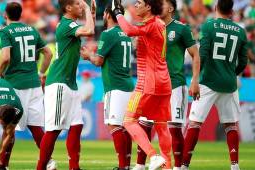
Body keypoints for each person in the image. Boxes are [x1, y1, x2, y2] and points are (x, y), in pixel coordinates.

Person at [132, 0, 201, 169]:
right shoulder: (151, 25)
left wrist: (195, 80)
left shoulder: (181, 29)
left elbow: (196, 55)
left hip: (175, 84)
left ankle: (178, 167)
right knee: (144, 125)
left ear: (170, 8)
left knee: (174, 129)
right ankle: (140, 165)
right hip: (151, 85)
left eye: (161, 4)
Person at [181, 0, 248, 170]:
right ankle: (235, 166)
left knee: (195, 123)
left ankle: (184, 166)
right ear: (232, 10)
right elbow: (244, 61)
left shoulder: (209, 26)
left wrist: (195, 80)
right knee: (230, 125)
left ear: (216, 7)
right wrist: (232, 73)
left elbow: (201, 55)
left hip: (208, 81)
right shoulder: (241, 31)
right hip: (229, 83)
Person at [112, 0, 173, 169]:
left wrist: (118, 13)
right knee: (161, 126)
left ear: (149, 6)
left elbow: (130, 30)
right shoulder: (159, 23)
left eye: (139, 2)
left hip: (148, 82)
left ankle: (153, 157)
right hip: (164, 81)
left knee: (129, 120)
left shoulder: (152, 24)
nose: (136, 5)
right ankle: (167, 166)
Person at [36, 0, 95, 169]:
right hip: (59, 82)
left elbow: (86, 30)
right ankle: (40, 167)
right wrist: (87, 10)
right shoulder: (66, 25)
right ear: (68, 8)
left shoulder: (71, 25)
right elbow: (89, 30)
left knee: (77, 126)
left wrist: (89, 12)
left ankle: (74, 167)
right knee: (54, 130)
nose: (80, 6)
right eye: (77, 4)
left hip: (70, 83)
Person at [0, 2, 54, 168]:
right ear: (21, 15)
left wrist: (0, 74)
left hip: (15, 84)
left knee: (9, 126)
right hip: (34, 84)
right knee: (36, 128)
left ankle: (2, 164)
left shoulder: (4, 32)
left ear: (5, 15)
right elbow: (48, 53)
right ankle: (49, 162)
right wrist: (41, 74)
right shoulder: (31, 29)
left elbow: (6, 57)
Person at [81, 4, 134, 169]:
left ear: (107, 14)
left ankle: (122, 166)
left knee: (114, 125)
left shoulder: (108, 34)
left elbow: (98, 61)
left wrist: (88, 55)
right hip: (127, 84)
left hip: (115, 86)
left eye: (103, 14)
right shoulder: (126, 33)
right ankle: (126, 165)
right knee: (125, 127)